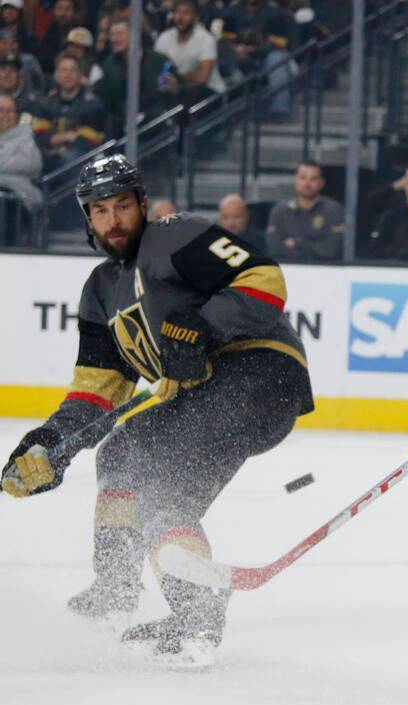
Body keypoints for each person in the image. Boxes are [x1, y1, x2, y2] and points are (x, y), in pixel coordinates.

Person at [0, 154, 313, 667]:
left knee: (162, 479)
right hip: (204, 394)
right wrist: (50, 444)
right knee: (122, 452)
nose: (113, 220)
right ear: (87, 218)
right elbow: (97, 393)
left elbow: (264, 278)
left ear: (142, 205)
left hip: (258, 372)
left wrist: (205, 324)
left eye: (123, 206)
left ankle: (197, 614)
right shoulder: (100, 292)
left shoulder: (173, 236)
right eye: (99, 211)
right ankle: (116, 588)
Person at [32, 53, 108, 172]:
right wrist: (67, 137)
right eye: (63, 70)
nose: (68, 75)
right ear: (56, 75)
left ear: (80, 74)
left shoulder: (92, 104)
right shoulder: (46, 103)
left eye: (73, 70)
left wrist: (56, 143)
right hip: (50, 157)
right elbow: (39, 136)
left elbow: (88, 142)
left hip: (82, 163)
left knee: (68, 158)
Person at [266, 160, 346, 261]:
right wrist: (312, 248)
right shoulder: (280, 210)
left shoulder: (334, 210)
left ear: (321, 183)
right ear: (296, 180)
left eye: (313, 179)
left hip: (324, 271)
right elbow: (274, 249)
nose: (307, 184)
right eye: (303, 178)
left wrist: (297, 243)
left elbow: (331, 251)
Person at [154, 0, 225, 106]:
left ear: (196, 17)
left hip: (209, 94)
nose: (180, 17)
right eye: (177, 12)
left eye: (186, 13)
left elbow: (202, 77)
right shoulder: (164, 38)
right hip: (174, 92)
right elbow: (156, 68)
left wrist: (177, 80)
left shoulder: (206, 39)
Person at [0, 91, 42, 221]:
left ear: (17, 116)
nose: (5, 115)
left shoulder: (26, 138)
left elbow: (30, 165)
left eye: (10, 111)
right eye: (1, 110)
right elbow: (12, 164)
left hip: (17, 197)